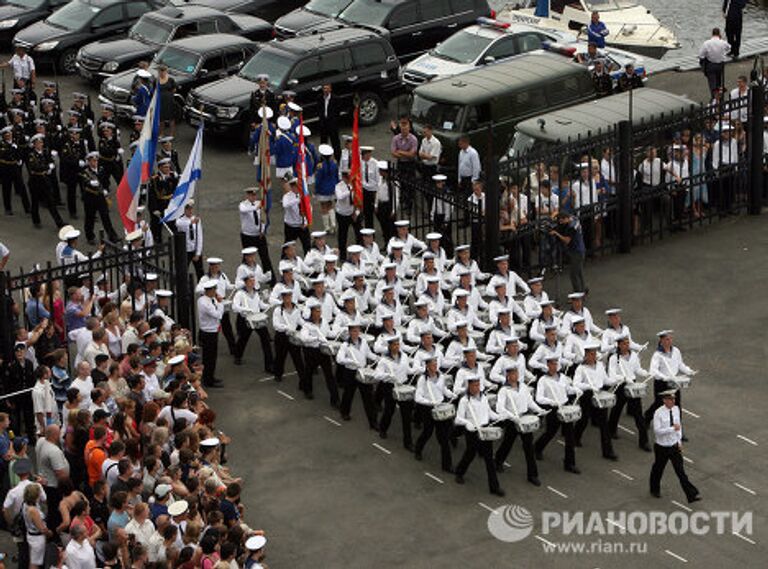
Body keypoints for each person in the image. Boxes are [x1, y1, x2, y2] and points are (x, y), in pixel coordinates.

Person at [453, 377, 504, 496]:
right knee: (470, 454)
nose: (477, 388)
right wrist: (467, 423)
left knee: (489, 459)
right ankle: (459, 472)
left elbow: (488, 412)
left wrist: (497, 416)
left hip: (485, 430)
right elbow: (458, 418)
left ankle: (494, 487)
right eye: (474, 385)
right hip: (473, 432)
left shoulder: (484, 397)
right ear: (469, 386)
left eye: (478, 385)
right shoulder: (464, 401)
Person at [494, 364, 545, 486]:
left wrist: (539, 409)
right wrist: (512, 416)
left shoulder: (523, 386)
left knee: (529, 447)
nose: (515, 376)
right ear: (507, 376)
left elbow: (530, 402)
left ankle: (532, 475)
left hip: (524, 418)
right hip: (512, 421)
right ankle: (498, 460)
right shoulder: (503, 390)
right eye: (512, 374)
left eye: (516, 373)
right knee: (508, 442)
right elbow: (499, 407)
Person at [650, 391, 701, 503]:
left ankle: (691, 495)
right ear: (664, 400)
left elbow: (679, 426)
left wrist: (679, 441)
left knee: (681, 472)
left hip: (674, 446)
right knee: (658, 469)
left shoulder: (676, 409)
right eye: (670, 399)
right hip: (662, 447)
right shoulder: (658, 413)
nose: (673, 401)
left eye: (674, 399)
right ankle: (654, 489)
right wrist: (672, 428)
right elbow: (657, 431)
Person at [238, 187, 274, 282]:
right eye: (251, 195)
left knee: (265, 258)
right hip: (248, 236)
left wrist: (262, 230)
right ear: (247, 195)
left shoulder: (259, 203)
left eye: (254, 195)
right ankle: (243, 280)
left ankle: (272, 281)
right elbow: (244, 210)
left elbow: (262, 218)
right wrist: (256, 207)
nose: (253, 197)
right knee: (247, 260)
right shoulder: (243, 205)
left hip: (259, 235)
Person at [550, 211, 587, 293]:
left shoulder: (571, 227)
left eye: (562, 221)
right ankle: (583, 289)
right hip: (580, 249)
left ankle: (578, 294)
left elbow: (567, 240)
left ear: (566, 218)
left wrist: (556, 233)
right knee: (579, 272)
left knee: (574, 274)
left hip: (576, 251)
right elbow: (558, 212)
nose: (560, 223)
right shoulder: (574, 218)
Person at [198, 280, 224, 388]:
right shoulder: (205, 303)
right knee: (209, 358)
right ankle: (208, 380)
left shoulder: (207, 299)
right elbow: (218, 315)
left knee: (211, 357)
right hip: (208, 333)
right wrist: (221, 303)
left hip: (211, 331)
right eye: (214, 289)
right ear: (210, 290)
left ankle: (210, 377)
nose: (216, 292)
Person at [22, 483, 52, 569]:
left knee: (34, 559)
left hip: (31, 535)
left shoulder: (25, 504)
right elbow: (42, 529)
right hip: (37, 539)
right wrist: (49, 533)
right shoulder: (33, 510)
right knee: (34, 563)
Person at [174, 201, 204, 280]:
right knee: (183, 272)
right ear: (184, 210)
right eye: (188, 209)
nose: (190, 211)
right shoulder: (180, 220)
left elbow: (199, 236)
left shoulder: (196, 219)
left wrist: (198, 253)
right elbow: (179, 224)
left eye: (191, 209)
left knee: (200, 272)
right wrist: (191, 222)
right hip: (185, 250)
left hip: (194, 248)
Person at [699, 28, 730, 95]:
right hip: (720, 65)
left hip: (711, 65)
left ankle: (714, 98)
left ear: (712, 34)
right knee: (719, 81)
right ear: (719, 34)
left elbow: (701, 55)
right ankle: (719, 96)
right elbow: (728, 47)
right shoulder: (723, 42)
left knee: (712, 82)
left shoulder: (707, 43)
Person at [317, 83, 341, 158]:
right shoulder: (320, 98)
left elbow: (338, 112)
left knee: (335, 143)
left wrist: (335, 121)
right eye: (324, 88)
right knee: (323, 142)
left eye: (327, 88)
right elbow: (319, 109)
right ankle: (323, 158)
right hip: (323, 124)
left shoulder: (335, 99)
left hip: (332, 124)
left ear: (330, 89)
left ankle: (338, 158)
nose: (326, 90)